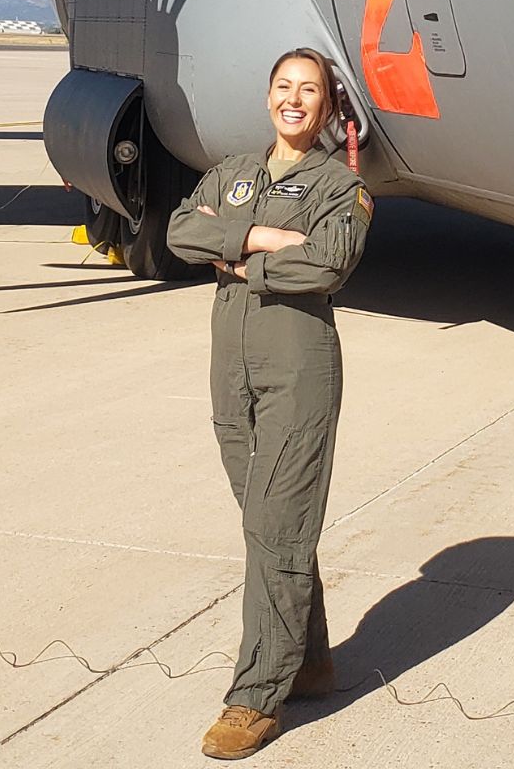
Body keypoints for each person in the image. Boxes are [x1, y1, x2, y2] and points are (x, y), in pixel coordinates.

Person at [166, 47, 374, 760]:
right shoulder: (235, 174)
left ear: (326, 106)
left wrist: (236, 261)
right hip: (231, 372)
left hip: (296, 371)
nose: (294, 99)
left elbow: (327, 262)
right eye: (284, 86)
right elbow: (179, 230)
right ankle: (309, 661)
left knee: (278, 524)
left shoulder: (340, 187)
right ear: (268, 97)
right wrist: (260, 237)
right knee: (265, 523)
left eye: (309, 90)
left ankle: (256, 696)